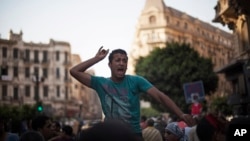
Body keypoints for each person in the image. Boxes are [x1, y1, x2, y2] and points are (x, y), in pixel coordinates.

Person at [70, 47, 195, 140]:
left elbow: (160, 96)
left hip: (133, 135)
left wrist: (181, 114)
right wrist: (97, 58)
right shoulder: (101, 83)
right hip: (110, 135)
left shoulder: (136, 81)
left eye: (124, 61)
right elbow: (74, 71)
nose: (121, 63)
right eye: (118, 60)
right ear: (110, 64)